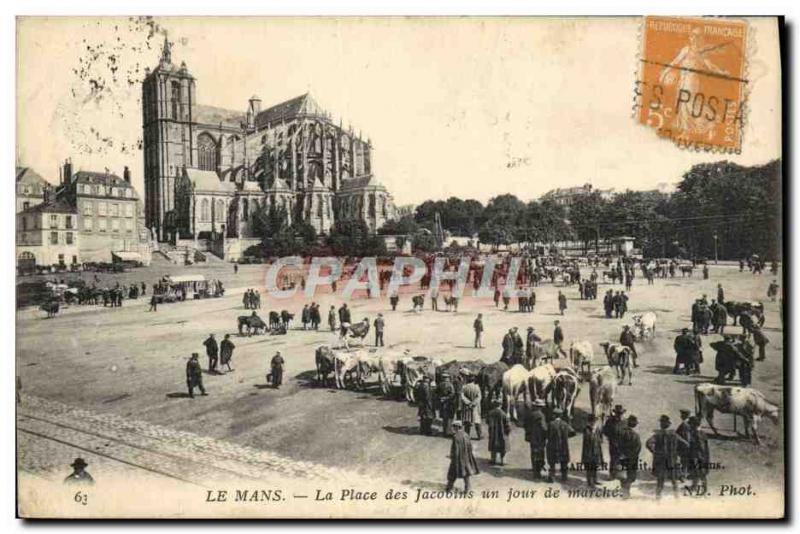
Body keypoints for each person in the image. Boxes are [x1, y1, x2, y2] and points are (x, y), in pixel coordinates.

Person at [646, 414, 688, 498]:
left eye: (661, 423)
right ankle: (677, 499)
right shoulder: (674, 435)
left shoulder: (657, 435)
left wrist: (655, 452)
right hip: (672, 461)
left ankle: (658, 500)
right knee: (674, 481)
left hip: (661, 461)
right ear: (669, 424)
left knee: (660, 481)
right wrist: (677, 453)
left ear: (662, 424)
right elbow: (686, 444)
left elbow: (648, 443)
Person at [445, 421, 480, 492]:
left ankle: (449, 488)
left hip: (457, 458)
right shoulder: (466, 435)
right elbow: (470, 447)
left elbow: (454, 449)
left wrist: (452, 456)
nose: (453, 428)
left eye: (454, 426)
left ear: (457, 427)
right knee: (466, 473)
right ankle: (467, 488)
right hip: (466, 457)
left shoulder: (455, 436)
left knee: (452, 473)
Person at [546, 408, 574, 483]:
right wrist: (566, 437)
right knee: (564, 462)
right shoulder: (565, 424)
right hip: (563, 445)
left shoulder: (551, 424)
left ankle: (551, 476)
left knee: (552, 462)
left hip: (553, 445)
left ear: (554, 415)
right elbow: (572, 432)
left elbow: (547, 434)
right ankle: (564, 477)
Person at [617, 414, 641, 498]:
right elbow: (638, 448)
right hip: (632, 459)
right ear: (635, 425)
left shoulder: (622, 432)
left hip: (623, 457)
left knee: (623, 475)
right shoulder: (636, 435)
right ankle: (627, 491)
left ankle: (624, 491)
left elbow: (618, 445)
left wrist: (622, 454)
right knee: (630, 476)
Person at [524, 399, 548, 479]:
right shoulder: (541, 415)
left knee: (533, 453)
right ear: (540, 407)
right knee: (540, 454)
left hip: (532, 437)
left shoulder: (530, 414)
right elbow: (543, 427)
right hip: (539, 438)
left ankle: (534, 469)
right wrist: (547, 434)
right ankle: (538, 472)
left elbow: (525, 424)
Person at [686, 415, 710, 493]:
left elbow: (701, 447)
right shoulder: (699, 432)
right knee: (695, 472)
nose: (689, 425)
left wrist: (698, 457)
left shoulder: (697, 433)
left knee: (701, 473)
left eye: (690, 424)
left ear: (694, 424)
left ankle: (704, 489)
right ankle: (694, 486)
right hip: (698, 455)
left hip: (698, 456)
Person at [603, 404, 626, 480]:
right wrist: (610, 438)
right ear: (615, 413)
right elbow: (605, 431)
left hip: (623, 444)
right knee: (613, 459)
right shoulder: (610, 421)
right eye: (618, 413)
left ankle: (621, 474)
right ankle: (612, 475)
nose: (619, 415)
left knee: (622, 459)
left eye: (621, 413)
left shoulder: (625, 422)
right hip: (613, 443)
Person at [581, 415, 604, 487]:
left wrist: (599, 439)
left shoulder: (597, 429)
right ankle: (590, 481)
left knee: (595, 465)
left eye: (595, 421)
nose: (594, 423)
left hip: (596, 450)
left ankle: (595, 479)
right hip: (589, 451)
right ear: (589, 422)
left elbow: (601, 439)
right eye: (592, 422)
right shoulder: (586, 429)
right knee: (589, 466)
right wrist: (593, 433)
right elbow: (588, 440)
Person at [486, 400, 511, 465]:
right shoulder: (503, 414)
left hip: (493, 432)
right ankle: (502, 461)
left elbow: (487, 422)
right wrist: (508, 432)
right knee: (503, 446)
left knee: (493, 445)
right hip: (502, 433)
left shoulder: (490, 413)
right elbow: (507, 424)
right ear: (500, 405)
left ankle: (493, 460)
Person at [460, 373, 483, 439]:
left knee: (467, 421)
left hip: (467, 407)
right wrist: (473, 403)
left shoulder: (464, 387)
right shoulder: (477, 387)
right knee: (477, 421)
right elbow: (479, 397)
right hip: (475, 407)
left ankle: (467, 435)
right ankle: (479, 435)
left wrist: (468, 403)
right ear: (474, 380)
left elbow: (462, 396)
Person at [675, 409, 692, 481]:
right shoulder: (688, 423)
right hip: (685, 445)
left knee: (684, 461)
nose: (681, 416)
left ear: (686, 415)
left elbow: (686, 436)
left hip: (684, 445)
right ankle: (684, 475)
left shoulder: (684, 424)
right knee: (684, 461)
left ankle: (683, 476)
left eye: (682, 414)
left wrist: (686, 443)